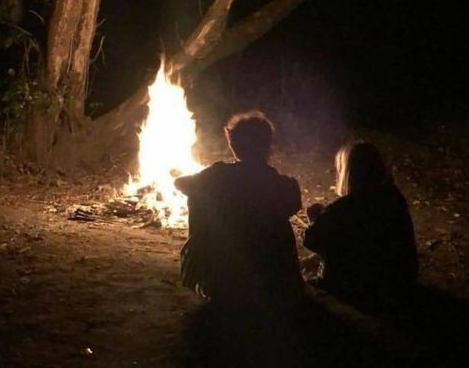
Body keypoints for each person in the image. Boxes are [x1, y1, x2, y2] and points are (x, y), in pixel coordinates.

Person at [175, 110, 304, 310]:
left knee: (200, 195)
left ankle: (204, 271)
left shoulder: (218, 175)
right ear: (268, 146)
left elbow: (181, 183)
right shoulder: (283, 185)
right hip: (275, 282)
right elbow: (294, 202)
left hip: (223, 282)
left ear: (233, 145)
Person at [303, 142, 418, 311]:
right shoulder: (393, 195)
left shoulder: (346, 206)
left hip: (359, 288)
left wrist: (316, 218)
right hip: (400, 280)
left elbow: (310, 239)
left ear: (348, 173)